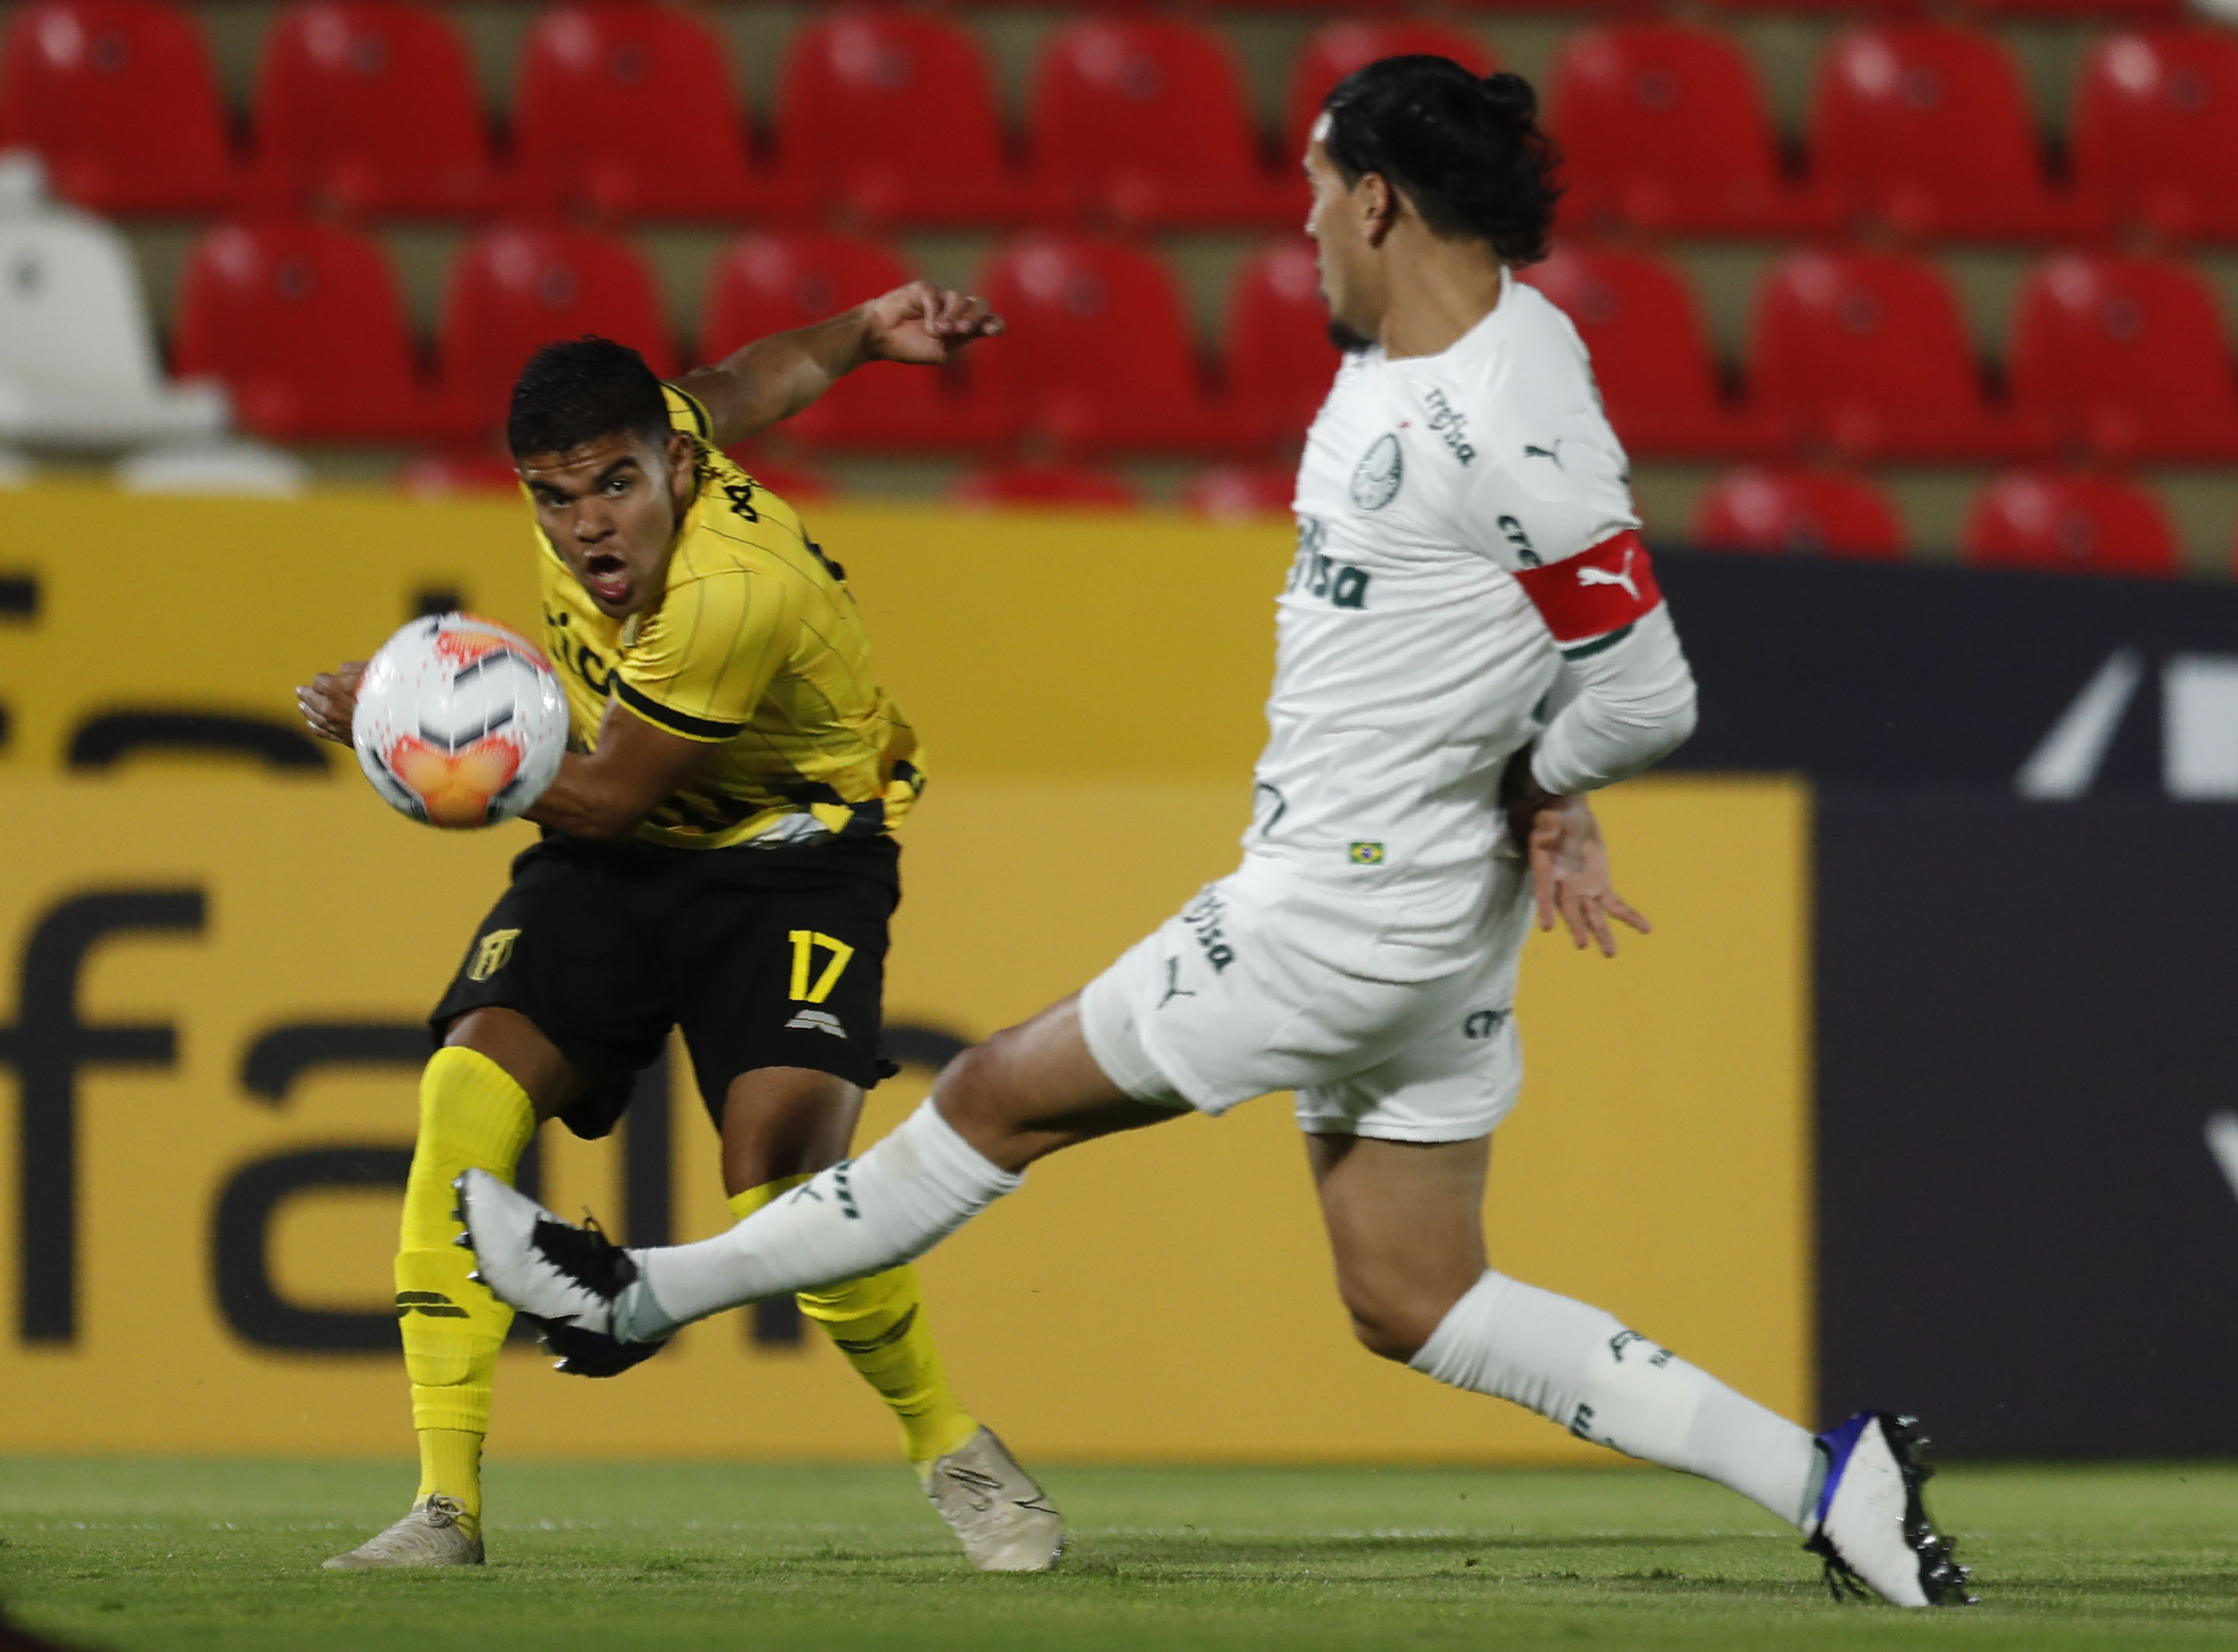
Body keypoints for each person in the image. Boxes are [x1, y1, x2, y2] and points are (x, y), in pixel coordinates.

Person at [458, 58, 1972, 1608]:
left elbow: (1644, 693)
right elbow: (1531, 635)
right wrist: (1534, 782)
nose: (1302, 228)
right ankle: (1825, 1483)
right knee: (1409, 1291)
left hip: (1341, 910)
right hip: (1423, 912)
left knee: (992, 1099)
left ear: (1376, 198)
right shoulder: (1475, 345)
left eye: (1315, 191)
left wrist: (1542, 780)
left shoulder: (1498, 419)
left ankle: (636, 1298)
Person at [296, 285, 1064, 1574]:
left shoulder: (730, 589)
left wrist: (417, 733)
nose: (587, 523)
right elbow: (745, 377)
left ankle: (957, 1452)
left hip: (792, 862)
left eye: (613, 486)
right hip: (616, 865)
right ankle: (443, 1506)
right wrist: (865, 335)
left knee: (780, 1172)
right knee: (461, 1095)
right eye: (554, 495)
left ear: (677, 468)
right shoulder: (655, 438)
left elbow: (603, 789)